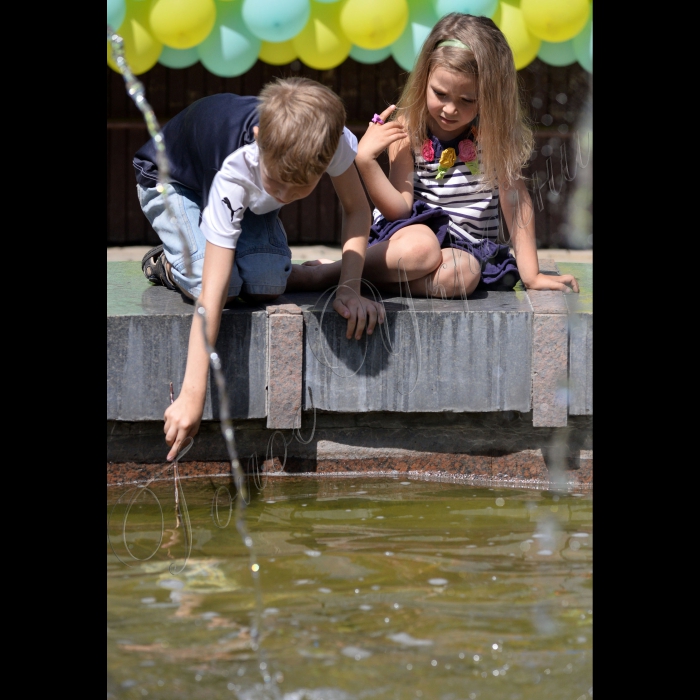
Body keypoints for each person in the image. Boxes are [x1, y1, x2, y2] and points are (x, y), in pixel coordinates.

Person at [133, 77, 384, 460]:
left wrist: (350, 286)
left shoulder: (327, 139)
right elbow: (213, 293)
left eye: (298, 190)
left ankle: (245, 247)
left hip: (246, 201)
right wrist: (192, 394)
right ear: (258, 137)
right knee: (218, 282)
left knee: (267, 284)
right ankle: (169, 262)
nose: (283, 196)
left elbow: (357, 209)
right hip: (172, 181)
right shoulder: (236, 169)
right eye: (278, 183)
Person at [295, 13, 579, 298]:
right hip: (408, 237)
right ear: (424, 79)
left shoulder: (495, 137)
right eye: (440, 94)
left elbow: (516, 203)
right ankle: (330, 274)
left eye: (467, 100)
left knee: (463, 274)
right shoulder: (409, 129)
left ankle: (358, 278)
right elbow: (399, 209)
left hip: (466, 249)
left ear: (491, 95)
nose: (450, 109)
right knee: (422, 248)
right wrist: (365, 161)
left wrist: (532, 275)